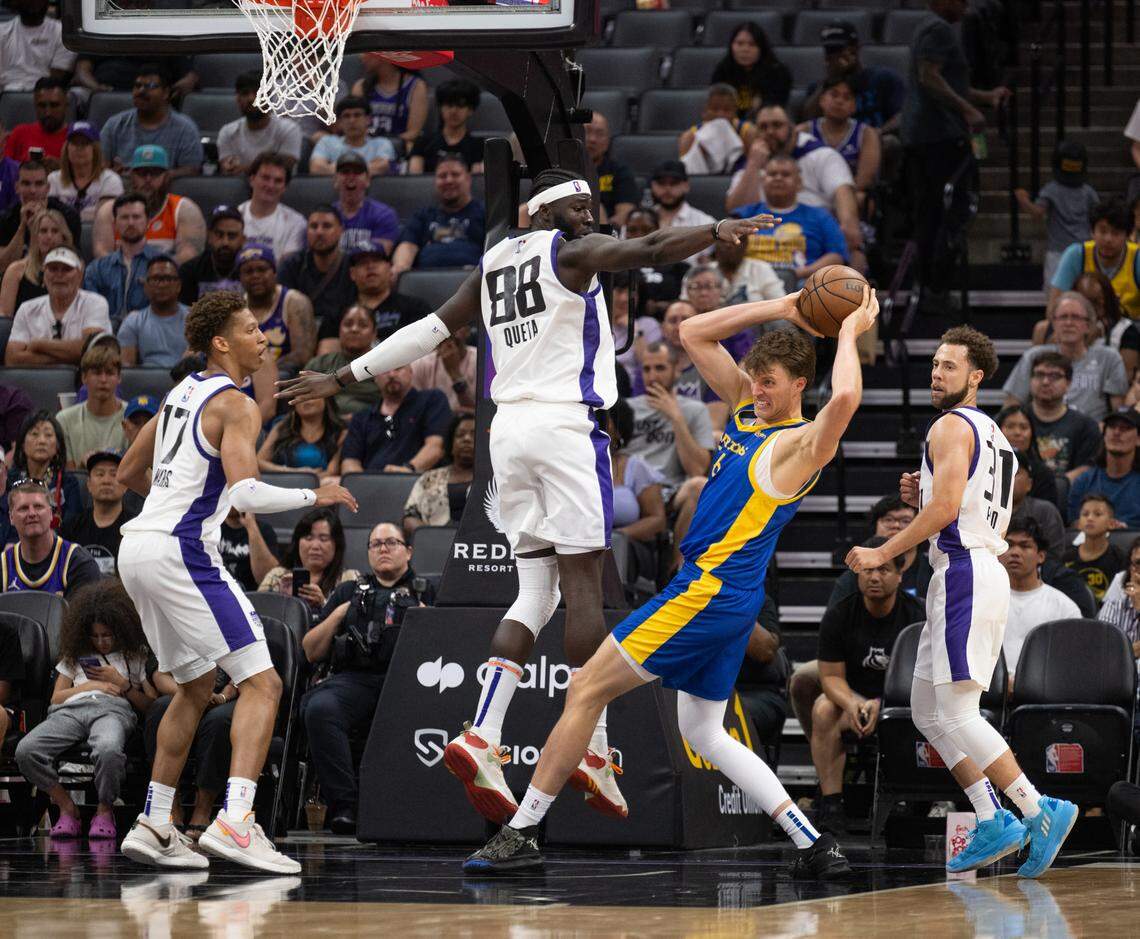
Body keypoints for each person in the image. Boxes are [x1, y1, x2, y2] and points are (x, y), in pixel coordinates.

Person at [278, 168, 773, 831]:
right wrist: (714, 230)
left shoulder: (492, 265)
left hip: (505, 432)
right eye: (580, 203)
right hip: (565, 428)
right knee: (587, 589)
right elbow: (648, 251)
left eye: (595, 204)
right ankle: (591, 748)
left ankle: (483, 732)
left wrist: (343, 375)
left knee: (535, 595)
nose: (592, 213)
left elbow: (431, 329)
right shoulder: (567, 249)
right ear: (543, 212)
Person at [463, 282, 876, 876]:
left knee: (584, 690)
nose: (756, 390)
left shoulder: (798, 446)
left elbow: (846, 400)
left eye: (770, 383)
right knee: (705, 731)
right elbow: (692, 332)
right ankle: (814, 844)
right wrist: (784, 307)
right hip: (729, 599)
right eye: (753, 378)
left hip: (708, 592)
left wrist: (845, 332)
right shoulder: (743, 407)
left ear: (797, 386)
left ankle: (523, 830)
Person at [116, 290, 357, 873]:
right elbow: (246, 492)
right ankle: (237, 822)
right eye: (252, 329)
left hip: (138, 546)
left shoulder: (178, 393)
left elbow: (127, 472)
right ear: (221, 342)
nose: (263, 339)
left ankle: (153, 821)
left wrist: (175, 509)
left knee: (197, 686)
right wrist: (314, 491)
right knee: (265, 684)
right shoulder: (236, 403)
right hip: (179, 551)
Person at [847, 325, 1078, 878]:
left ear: (975, 377)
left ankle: (1035, 806)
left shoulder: (950, 424)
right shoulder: (993, 432)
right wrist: (921, 494)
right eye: (934, 363)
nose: (935, 373)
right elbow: (961, 496)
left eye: (949, 366)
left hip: (966, 574)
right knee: (927, 710)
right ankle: (989, 815)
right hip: (966, 573)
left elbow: (949, 508)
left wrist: (884, 551)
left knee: (956, 711)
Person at [300, 520, 434, 835]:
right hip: (356, 681)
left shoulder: (427, 591)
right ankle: (345, 807)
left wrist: (428, 619)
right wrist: (337, 614)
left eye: (391, 542)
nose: (383, 549)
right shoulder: (348, 591)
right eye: (376, 544)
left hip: (410, 683)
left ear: (409, 551)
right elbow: (310, 651)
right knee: (319, 708)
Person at [14, 580, 154, 841]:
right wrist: (90, 685)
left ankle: (105, 808)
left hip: (112, 711)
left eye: (107, 635)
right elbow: (56, 699)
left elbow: (151, 705)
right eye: (95, 635)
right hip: (71, 710)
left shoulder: (134, 655)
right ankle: (65, 806)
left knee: (109, 749)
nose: (101, 642)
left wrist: (121, 684)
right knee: (26, 750)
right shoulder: (75, 655)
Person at [900, 0, 1010, 308]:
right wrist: (969, 110)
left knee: (933, 210)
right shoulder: (938, 29)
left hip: (927, 135)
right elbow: (929, 77)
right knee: (948, 210)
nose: (966, 4)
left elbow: (949, 82)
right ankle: (935, 285)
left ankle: (932, 284)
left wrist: (985, 97)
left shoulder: (930, 28)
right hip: (939, 136)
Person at [813, 534, 924, 835]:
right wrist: (853, 704)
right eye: (868, 570)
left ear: (901, 575)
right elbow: (831, 677)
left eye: (884, 569)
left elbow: (923, 677)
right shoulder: (839, 615)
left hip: (905, 704)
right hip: (857, 699)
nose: (874, 577)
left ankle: (912, 802)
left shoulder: (918, 616)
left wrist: (883, 705)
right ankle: (832, 804)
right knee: (823, 708)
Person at [725, 106, 861, 273]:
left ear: (793, 128)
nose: (770, 132)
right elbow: (735, 214)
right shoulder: (751, 163)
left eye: (777, 125)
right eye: (763, 127)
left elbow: (846, 210)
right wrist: (753, 164)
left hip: (812, 252)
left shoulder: (822, 156)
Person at [143, 666, 237, 843]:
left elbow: (245, 674)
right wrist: (192, 694)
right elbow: (159, 675)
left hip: (224, 699)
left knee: (219, 721)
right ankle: (171, 807)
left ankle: (203, 810)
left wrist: (223, 696)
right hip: (183, 693)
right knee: (159, 709)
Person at [1003, 293, 1126, 422]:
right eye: (1063, 317)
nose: (1068, 323)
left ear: (1088, 326)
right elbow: (1012, 405)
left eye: (1076, 317)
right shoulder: (1034, 356)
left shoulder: (1109, 358)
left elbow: (1118, 411)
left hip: (1092, 436)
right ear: (1054, 324)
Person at [732, 154, 848, 290]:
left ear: (799, 184)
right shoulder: (744, 214)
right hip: (750, 281)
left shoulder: (820, 216)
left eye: (785, 175)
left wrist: (799, 273)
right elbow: (726, 248)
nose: (778, 178)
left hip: (802, 283)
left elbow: (836, 256)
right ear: (763, 181)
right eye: (772, 174)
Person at [626, 341, 715, 497]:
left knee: (698, 486)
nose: (652, 376)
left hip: (669, 490)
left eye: (660, 368)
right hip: (629, 490)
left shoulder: (696, 410)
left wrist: (676, 418)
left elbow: (698, 470)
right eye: (647, 369)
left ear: (677, 369)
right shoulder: (626, 408)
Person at [91, 145, 206, 265]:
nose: (148, 179)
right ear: (131, 176)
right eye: (142, 173)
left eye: (155, 173)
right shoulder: (110, 210)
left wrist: (154, 274)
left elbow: (189, 256)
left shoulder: (184, 208)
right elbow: (102, 253)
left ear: (166, 177)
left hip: (166, 280)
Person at [1000, 518, 1082, 683]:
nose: (1015, 552)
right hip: (987, 691)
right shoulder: (980, 601)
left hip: (1044, 693)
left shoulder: (1065, 608)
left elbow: (1072, 663)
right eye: (1009, 544)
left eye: (1024, 546)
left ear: (1041, 556)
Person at [5, 245, 112, 366]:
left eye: (66, 269)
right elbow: (12, 359)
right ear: (44, 275)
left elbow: (92, 349)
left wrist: (38, 344)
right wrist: (71, 357)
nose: (59, 275)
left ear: (80, 275)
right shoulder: (27, 309)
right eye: (53, 269)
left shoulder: (95, 303)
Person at [1014, 141, 1099, 291]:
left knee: (1057, 295)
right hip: (1079, 250)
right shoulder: (1088, 191)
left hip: (1062, 253)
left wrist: (1024, 200)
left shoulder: (1052, 190)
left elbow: (1037, 213)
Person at [340, 365, 451, 474]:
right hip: (370, 486)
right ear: (375, 377)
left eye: (398, 368)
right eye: (385, 370)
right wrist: (361, 483)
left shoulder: (432, 400)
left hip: (417, 482)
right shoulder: (362, 417)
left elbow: (435, 447)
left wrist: (408, 469)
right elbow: (350, 461)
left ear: (410, 372)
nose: (392, 375)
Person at [317, 243, 431, 349]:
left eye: (376, 260)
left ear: (390, 268)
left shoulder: (416, 308)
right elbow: (327, 357)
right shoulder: (337, 311)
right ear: (352, 273)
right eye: (362, 263)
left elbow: (428, 349)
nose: (370, 266)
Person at [99, 64, 203, 177]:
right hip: (123, 190)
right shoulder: (115, 124)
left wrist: (158, 177)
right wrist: (111, 175)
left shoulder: (186, 128)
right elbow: (100, 165)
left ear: (166, 93)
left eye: (150, 86)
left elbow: (191, 170)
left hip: (169, 190)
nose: (141, 91)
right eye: (137, 86)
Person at [801, 20, 906, 131]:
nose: (835, 55)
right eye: (830, 50)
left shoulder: (884, 79)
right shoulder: (818, 88)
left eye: (839, 49)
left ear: (855, 49)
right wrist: (829, 81)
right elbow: (808, 121)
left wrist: (877, 135)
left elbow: (903, 116)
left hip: (878, 141)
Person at [2, 479, 101, 595]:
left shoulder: (78, 563)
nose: (32, 513)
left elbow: (84, 613)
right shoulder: (3, 566)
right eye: (23, 508)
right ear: (11, 518)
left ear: (50, 513)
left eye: (38, 507)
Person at [391, 157, 486, 274]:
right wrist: (400, 267)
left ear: (468, 179)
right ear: (435, 181)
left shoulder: (485, 212)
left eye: (455, 175)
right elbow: (407, 245)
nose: (449, 180)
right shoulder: (422, 216)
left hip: (474, 280)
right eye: (442, 176)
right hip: (424, 281)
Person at [1019, 351, 1103, 482]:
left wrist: (1053, 485)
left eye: (1054, 376)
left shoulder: (1086, 426)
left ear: (1068, 383)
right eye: (1039, 375)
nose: (1045, 382)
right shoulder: (1013, 421)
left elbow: (1088, 468)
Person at [1049, 199, 1140, 320]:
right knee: (1042, 328)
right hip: (1083, 329)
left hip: (1130, 331)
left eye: (1116, 233)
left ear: (1127, 236)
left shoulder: (1137, 257)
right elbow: (1053, 308)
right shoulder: (1076, 255)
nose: (1108, 239)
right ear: (1092, 232)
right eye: (1102, 231)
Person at [84, 193, 165, 327]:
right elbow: (91, 313)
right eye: (124, 217)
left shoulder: (163, 265)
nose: (131, 222)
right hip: (106, 336)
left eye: (136, 217)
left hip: (150, 334)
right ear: (115, 223)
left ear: (148, 222)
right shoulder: (96, 269)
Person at [258, 508, 359, 614]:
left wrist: (323, 605)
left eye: (323, 539)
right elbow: (257, 617)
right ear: (297, 542)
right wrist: (281, 599)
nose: (315, 546)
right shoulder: (277, 576)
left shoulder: (349, 579)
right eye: (308, 538)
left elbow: (355, 621)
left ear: (337, 545)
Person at [799, 76, 881, 208]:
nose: (839, 101)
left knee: (860, 198)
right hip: (811, 195)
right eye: (834, 95)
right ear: (822, 100)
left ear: (854, 106)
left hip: (849, 195)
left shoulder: (866, 134)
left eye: (846, 97)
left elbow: (864, 180)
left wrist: (838, 197)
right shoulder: (803, 131)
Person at [237, 243, 316, 371]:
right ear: (240, 277)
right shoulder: (237, 307)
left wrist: (263, 374)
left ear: (274, 272)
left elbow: (302, 356)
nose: (255, 276)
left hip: (284, 378)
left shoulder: (294, 302)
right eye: (248, 271)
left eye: (262, 269)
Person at [61, 451, 137, 576]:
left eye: (114, 474)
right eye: (100, 474)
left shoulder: (134, 529)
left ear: (125, 486)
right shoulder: (71, 528)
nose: (106, 480)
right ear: (89, 485)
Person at [276, 206, 355, 326]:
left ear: (340, 231)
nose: (319, 232)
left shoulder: (352, 265)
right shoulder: (291, 265)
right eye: (313, 227)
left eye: (327, 226)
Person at [605, 398, 666, 548]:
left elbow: (657, 520)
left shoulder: (636, 467)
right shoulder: (575, 466)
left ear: (619, 431)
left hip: (625, 550)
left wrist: (615, 538)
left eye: (603, 421)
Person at [0, 159, 81, 272]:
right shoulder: (6, 218)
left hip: (56, 276)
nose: (32, 190)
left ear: (47, 188)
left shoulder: (68, 216)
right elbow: (3, 266)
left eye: (39, 184)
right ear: (17, 187)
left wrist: (43, 220)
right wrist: (22, 227)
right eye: (26, 183)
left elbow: (71, 262)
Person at [402, 414, 476, 536]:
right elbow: (409, 518)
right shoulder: (429, 478)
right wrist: (432, 536)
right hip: (434, 546)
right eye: (460, 435)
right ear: (451, 444)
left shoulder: (494, 480)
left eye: (474, 435)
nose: (467, 439)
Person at [217, 71, 303, 176]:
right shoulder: (227, 132)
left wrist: (244, 168)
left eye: (258, 93)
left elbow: (281, 170)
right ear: (238, 100)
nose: (251, 98)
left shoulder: (289, 130)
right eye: (245, 93)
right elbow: (228, 170)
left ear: (270, 98)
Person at [7, 411, 82, 530]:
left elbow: (73, 528)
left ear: (57, 446)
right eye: (34, 434)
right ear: (22, 444)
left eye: (48, 435)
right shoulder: (10, 480)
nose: (42, 441)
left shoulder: (68, 483)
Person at [56, 341, 126, 467]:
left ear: (119, 378)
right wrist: (83, 465)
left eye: (110, 373)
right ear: (84, 378)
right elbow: (69, 474)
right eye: (97, 373)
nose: (103, 380)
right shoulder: (64, 420)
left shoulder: (133, 417)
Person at [306, 304, 382, 417]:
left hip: (367, 426)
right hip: (322, 425)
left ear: (374, 333)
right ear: (339, 330)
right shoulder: (319, 364)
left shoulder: (384, 366)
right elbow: (301, 400)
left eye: (363, 325)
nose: (354, 329)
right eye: (348, 324)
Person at [1068, 411, 1140, 526]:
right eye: (1112, 426)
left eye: (1125, 428)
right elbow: (1073, 525)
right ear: (1104, 434)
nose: (1116, 432)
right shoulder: (1083, 481)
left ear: (1138, 439)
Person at [0, 207, 73, 317]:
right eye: (43, 231)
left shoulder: (73, 270)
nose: (49, 236)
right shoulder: (16, 271)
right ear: (34, 237)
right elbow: (4, 317)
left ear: (63, 237)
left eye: (55, 231)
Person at [118, 255, 190, 367]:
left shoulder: (193, 319)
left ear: (178, 285)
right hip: (145, 383)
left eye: (167, 279)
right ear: (146, 286)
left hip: (186, 380)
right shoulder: (133, 321)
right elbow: (126, 369)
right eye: (156, 279)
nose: (162, 285)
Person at [709, 21, 791, 117]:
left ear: (762, 48)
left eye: (752, 44)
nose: (745, 49)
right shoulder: (722, 71)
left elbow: (776, 108)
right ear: (731, 46)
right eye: (739, 44)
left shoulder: (778, 73)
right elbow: (716, 108)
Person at [47, 122, 123, 223]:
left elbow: (105, 219)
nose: (79, 148)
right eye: (74, 143)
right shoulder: (53, 179)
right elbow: (50, 217)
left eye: (85, 143)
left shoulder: (110, 180)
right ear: (67, 148)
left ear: (95, 149)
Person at [678, 83, 757, 177]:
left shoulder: (747, 132)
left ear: (735, 112)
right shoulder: (690, 136)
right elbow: (685, 173)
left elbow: (756, 168)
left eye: (727, 110)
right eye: (714, 109)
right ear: (704, 111)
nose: (720, 115)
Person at [622, 208, 690, 316]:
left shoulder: (679, 267)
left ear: (658, 231)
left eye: (646, 229)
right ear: (625, 233)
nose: (639, 235)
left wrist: (664, 306)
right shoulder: (616, 267)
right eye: (632, 230)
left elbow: (691, 302)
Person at [408, 79, 484, 175]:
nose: (453, 111)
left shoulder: (478, 145)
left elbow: (476, 180)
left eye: (460, 105)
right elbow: (415, 179)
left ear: (470, 110)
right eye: (449, 105)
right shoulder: (423, 142)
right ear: (440, 108)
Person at [257, 397, 345, 479]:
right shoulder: (282, 427)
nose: (306, 400)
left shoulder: (340, 431)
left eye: (311, 395)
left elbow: (332, 472)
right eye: (300, 395)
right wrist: (295, 472)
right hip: (285, 484)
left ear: (326, 399)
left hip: (324, 484)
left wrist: (308, 481)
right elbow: (259, 462)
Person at [351, 53, 428, 146]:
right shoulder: (360, 86)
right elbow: (352, 125)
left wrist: (382, 144)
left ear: (385, 54)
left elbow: (413, 133)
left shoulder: (416, 86)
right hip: (364, 146)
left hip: (397, 147)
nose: (361, 56)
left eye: (368, 51)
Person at [239, 153, 307, 258]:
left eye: (278, 181)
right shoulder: (235, 216)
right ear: (252, 180)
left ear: (285, 187)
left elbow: (286, 268)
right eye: (265, 178)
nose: (271, 185)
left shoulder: (296, 223)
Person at [1063, 494, 1127, 605]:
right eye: (1085, 514)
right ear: (1078, 524)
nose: (1090, 518)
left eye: (1097, 514)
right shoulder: (1066, 557)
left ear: (1111, 524)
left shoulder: (1120, 558)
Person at [310, 97, 396, 177]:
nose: (352, 120)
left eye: (357, 115)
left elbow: (383, 167)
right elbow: (316, 168)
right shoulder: (327, 142)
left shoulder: (382, 143)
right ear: (339, 122)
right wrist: (367, 167)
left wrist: (334, 168)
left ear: (368, 119)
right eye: (346, 116)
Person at [0, 0, 74, 92]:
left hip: (44, 93)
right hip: (5, 92)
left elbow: (57, 76)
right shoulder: (2, 32)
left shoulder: (61, 32)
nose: (34, 3)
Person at [332, 152, 399, 253]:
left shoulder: (384, 214)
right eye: (345, 172)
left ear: (367, 180)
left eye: (357, 172)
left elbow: (382, 251)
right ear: (335, 180)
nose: (351, 177)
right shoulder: (325, 217)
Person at [995, 404, 1060, 507]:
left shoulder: (1044, 474)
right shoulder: (985, 466)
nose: (1017, 432)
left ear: (1032, 433)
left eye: (1024, 427)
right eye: (1010, 426)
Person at [648, 161, 716, 259]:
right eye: (661, 183)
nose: (667, 188)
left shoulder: (705, 222)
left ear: (686, 186)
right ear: (652, 185)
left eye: (674, 183)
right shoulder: (639, 221)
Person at [179, 206, 244, 304]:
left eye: (232, 236)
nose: (225, 242)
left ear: (243, 240)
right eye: (219, 234)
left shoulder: (251, 270)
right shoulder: (190, 271)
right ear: (209, 236)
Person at [583, 112, 637, 228]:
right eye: (587, 131)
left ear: (608, 142)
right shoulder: (561, 168)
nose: (592, 139)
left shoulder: (620, 171)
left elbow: (624, 215)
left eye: (600, 134)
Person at [1008, 455, 1066, 562]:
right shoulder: (982, 509)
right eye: (1004, 470)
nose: (1009, 477)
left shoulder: (1045, 511)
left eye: (1016, 473)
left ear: (1029, 484)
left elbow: (1055, 555)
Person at [409, 324, 477, 415]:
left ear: (467, 331)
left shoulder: (481, 360)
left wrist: (454, 373)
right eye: (443, 325)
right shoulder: (420, 364)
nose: (449, 332)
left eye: (457, 324)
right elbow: (412, 412)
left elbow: (480, 414)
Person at [714, 225, 783, 306]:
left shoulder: (761, 269)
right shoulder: (706, 271)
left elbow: (780, 305)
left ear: (746, 245)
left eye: (735, 241)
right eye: (723, 240)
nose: (728, 245)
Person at [4, 76, 69, 163]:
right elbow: (4, 171)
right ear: (35, 105)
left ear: (66, 104)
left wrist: (61, 169)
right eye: (42, 106)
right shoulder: (20, 133)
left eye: (54, 105)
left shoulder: (76, 138)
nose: (48, 112)